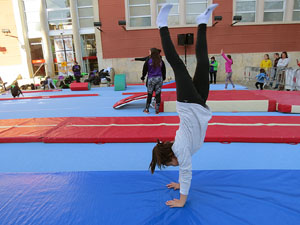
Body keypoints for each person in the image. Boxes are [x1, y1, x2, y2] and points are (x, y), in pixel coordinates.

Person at [149, 3, 217, 208]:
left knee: (177, 64)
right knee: (204, 63)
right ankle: (202, 22)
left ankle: (161, 25)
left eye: (169, 164)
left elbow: (186, 169)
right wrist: (179, 183)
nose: (173, 165)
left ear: (171, 156)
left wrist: (182, 199)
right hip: (200, 104)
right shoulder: (179, 149)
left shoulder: (179, 149)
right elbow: (183, 167)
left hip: (188, 102)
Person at [141, 48, 166, 114]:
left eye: (149, 51)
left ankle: (147, 109)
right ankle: (157, 110)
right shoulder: (160, 61)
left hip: (151, 79)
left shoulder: (148, 61)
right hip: (159, 78)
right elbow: (163, 70)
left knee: (150, 94)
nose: (148, 52)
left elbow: (144, 70)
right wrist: (163, 78)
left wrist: (142, 77)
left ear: (152, 53)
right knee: (158, 94)